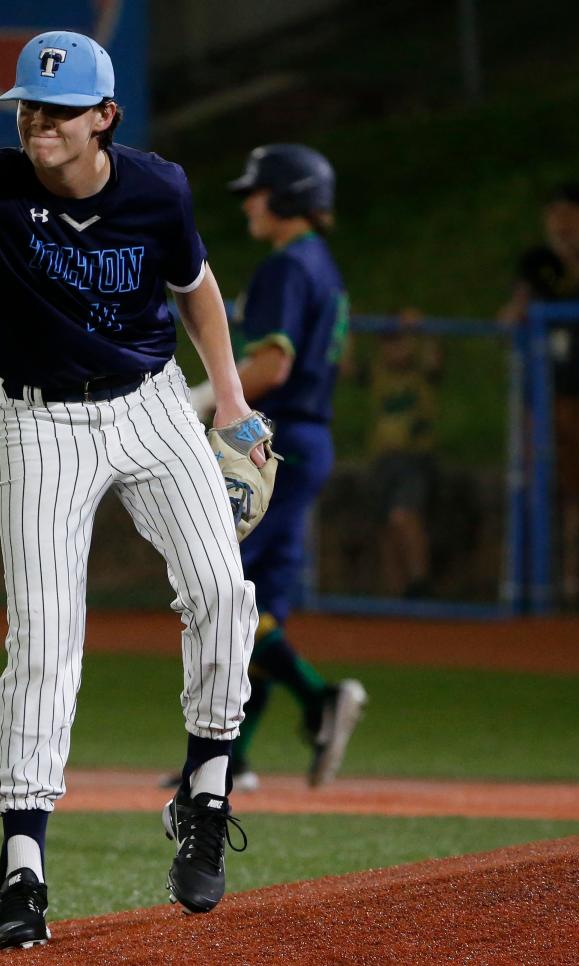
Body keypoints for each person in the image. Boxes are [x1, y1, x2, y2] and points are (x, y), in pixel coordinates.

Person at [0, 26, 264, 947]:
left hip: (152, 403)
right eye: (29, 108)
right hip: (41, 422)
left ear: (104, 118)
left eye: (59, 109)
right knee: (45, 643)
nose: (39, 123)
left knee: (220, 591)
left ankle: (203, 793)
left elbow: (194, 285)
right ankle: (22, 870)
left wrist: (230, 401)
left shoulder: (155, 186)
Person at [189, 145, 367, 794]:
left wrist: (197, 399)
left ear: (287, 197)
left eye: (258, 191)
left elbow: (271, 365)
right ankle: (232, 759)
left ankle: (319, 699)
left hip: (273, 440)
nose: (247, 202)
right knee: (259, 601)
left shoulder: (286, 267)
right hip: (308, 437)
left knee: (220, 592)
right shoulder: (320, 264)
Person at [498, 182, 579, 603]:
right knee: (566, 495)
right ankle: (567, 588)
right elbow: (514, 308)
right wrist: (512, 314)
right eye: (554, 214)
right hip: (552, 393)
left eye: (569, 214)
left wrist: (575, 260)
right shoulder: (536, 264)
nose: (561, 223)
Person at [366, 308, 442, 598]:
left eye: (399, 340)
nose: (393, 348)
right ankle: (395, 594)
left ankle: (419, 584)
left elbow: (435, 358)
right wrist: (343, 323)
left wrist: (421, 328)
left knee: (403, 516)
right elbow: (344, 365)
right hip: (383, 457)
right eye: (387, 341)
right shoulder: (379, 371)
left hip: (414, 458)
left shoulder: (421, 370)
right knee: (385, 524)